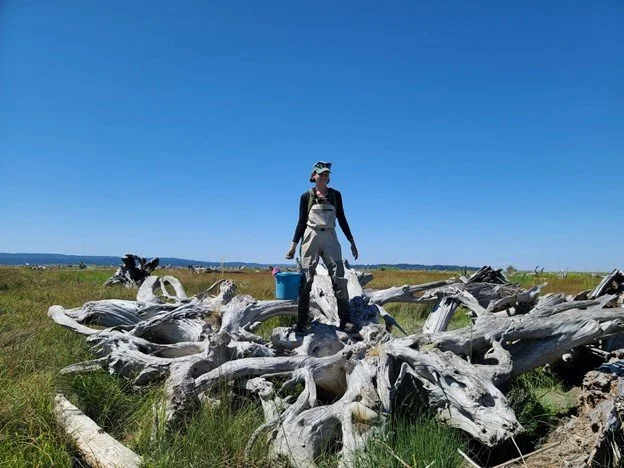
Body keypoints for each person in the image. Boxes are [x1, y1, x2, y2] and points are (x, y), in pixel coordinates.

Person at [285, 161, 359, 332]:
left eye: (327, 174)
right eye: (321, 173)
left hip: (331, 236)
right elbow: (301, 221)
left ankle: (345, 321)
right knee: (306, 279)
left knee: (339, 278)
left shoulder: (335, 195)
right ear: (314, 176)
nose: (324, 176)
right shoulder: (306, 196)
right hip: (311, 235)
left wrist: (351, 241)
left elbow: (342, 218)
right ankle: (301, 322)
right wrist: (293, 246)